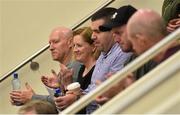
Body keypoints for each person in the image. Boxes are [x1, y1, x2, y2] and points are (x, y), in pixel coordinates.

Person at [95, 5, 158, 104]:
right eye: (113, 34)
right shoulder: (129, 62)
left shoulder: (157, 54)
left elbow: (157, 100)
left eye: (119, 33)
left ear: (137, 28)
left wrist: (121, 94)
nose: (116, 39)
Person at [10, 27, 81, 106]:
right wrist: (33, 99)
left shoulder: (75, 66)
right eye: (50, 44)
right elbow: (59, 105)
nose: (51, 48)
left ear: (70, 42)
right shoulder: (65, 70)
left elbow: (66, 102)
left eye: (55, 42)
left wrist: (33, 97)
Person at [84, 7, 132, 114]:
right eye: (92, 32)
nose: (92, 36)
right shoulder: (103, 53)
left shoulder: (123, 52)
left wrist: (78, 98)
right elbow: (93, 88)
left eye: (97, 32)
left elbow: (108, 92)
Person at [54, 27, 100, 113]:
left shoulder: (98, 69)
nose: (75, 50)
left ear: (93, 47)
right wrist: (64, 83)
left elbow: (89, 100)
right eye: (74, 46)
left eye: (79, 45)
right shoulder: (82, 69)